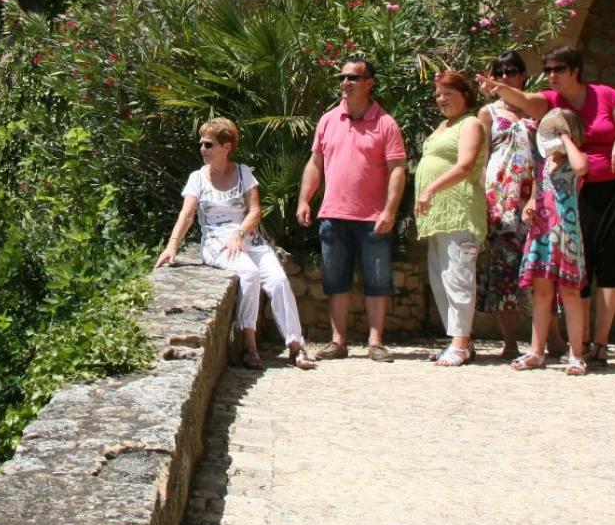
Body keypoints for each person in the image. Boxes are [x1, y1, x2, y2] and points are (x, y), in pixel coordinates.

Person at [481, 45, 615, 369]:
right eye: (548, 69)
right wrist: (499, 88)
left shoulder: (606, 95)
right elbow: (524, 101)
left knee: (610, 264)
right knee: (572, 275)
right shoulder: (550, 101)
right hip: (566, 199)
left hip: (614, 185)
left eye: (558, 69)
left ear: (575, 70)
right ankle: (569, 345)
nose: (551, 75)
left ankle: (600, 343)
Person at [156, 118, 315, 369]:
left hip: (246, 236)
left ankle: (296, 345)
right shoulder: (197, 178)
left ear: (226, 146)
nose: (203, 149)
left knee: (278, 280)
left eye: (208, 145)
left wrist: (239, 234)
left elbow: (255, 211)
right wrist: (172, 245)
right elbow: (186, 215)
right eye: (201, 144)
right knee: (249, 274)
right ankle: (249, 346)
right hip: (217, 240)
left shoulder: (243, 173)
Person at [297, 57, 408, 361]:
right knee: (336, 281)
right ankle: (338, 341)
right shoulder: (328, 120)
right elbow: (315, 163)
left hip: (373, 218)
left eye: (353, 78)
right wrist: (305, 199)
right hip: (333, 214)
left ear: (369, 83)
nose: (345, 83)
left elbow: (398, 169)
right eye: (342, 77)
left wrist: (390, 210)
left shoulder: (385, 123)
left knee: (377, 281)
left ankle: (376, 341)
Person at [414, 71, 487, 367]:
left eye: (448, 94)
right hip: (437, 214)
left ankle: (461, 342)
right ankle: (458, 340)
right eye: (438, 95)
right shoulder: (443, 126)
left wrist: (430, 188)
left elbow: (466, 164)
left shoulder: (471, 124)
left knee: (458, 275)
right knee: (441, 277)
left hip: (459, 211)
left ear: (465, 95)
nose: (441, 100)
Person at [512, 107, 590, 374]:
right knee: (542, 293)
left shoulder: (574, 160)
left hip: (566, 232)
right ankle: (536, 351)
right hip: (543, 233)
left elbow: (582, 167)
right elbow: (537, 191)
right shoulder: (543, 164)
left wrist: (566, 139)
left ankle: (576, 354)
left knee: (570, 292)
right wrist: (529, 206)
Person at [476, 51, 538, 359]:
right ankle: (510, 341)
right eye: (498, 72)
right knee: (503, 266)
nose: (503, 77)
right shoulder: (488, 112)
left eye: (510, 71)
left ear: (523, 75)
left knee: (538, 264)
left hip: (534, 193)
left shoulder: (536, 109)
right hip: (500, 195)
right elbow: (480, 156)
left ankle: (548, 338)